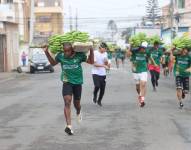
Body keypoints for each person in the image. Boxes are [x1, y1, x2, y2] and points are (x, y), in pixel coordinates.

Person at [43, 43, 94, 135]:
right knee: (67, 101)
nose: (66, 53)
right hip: (67, 82)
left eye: (68, 51)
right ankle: (69, 126)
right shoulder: (61, 56)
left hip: (78, 83)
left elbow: (91, 61)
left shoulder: (79, 56)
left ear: (72, 50)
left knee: (77, 104)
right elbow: (53, 63)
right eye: (64, 51)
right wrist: (46, 52)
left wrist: (91, 50)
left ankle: (78, 111)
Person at [127, 42, 150, 107]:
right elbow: (128, 55)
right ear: (140, 47)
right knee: (138, 87)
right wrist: (129, 47)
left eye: (145, 48)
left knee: (143, 84)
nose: (144, 49)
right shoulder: (134, 51)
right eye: (143, 48)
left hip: (143, 70)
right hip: (136, 71)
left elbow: (148, 59)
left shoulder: (147, 52)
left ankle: (142, 99)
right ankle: (140, 95)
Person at [92, 42, 110, 106]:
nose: (105, 50)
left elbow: (106, 63)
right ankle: (94, 95)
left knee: (102, 88)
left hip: (103, 73)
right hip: (95, 72)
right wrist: (104, 66)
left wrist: (106, 62)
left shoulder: (105, 53)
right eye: (105, 48)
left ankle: (99, 100)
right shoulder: (95, 53)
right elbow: (94, 64)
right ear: (101, 48)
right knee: (97, 86)